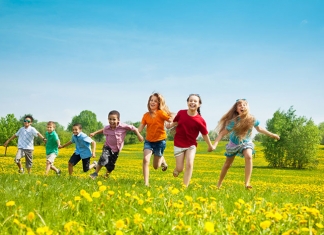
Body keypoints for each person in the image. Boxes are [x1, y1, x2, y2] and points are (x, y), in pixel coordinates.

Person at [212, 99, 280, 189]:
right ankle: (219, 184)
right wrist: (215, 145)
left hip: (246, 142)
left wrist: (272, 134)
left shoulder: (252, 119)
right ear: (236, 109)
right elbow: (222, 133)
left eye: (245, 105)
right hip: (234, 143)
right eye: (240, 105)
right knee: (228, 164)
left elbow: (259, 129)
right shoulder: (234, 121)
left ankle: (247, 183)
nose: (242, 106)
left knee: (248, 156)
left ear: (248, 107)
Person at [167, 94, 214, 187]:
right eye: (190, 101)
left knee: (189, 164)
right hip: (178, 144)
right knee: (180, 168)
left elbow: (205, 134)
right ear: (187, 102)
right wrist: (169, 125)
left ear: (199, 104)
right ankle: (177, 169)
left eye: (195, 101)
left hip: (191, 145)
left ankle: (185, 186)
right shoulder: (181, 113)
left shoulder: (200, 120)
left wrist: (210, 145)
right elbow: (175, 122)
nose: (192, 102)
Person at [89, 110, 144, 179]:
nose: (112, 121)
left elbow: (134, 128)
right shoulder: (107, 128)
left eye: (114, 119)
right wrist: (94, 133)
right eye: (110, 119)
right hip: (107, 147)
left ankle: (106, 176)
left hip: (116, 150)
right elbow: (102, 130)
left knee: (110, 166)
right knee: (103, 158)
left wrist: (139, 135)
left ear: (118, 120)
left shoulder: (123, 126)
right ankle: (95, 173)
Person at [138, 92, 173, 186]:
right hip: (149, 141)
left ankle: (162, 160)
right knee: (145, 160)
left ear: (159, 104)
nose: (152, 102)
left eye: (155, 101)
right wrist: (136, 133)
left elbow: (171, 120)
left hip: (160, 142)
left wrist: (174, 122)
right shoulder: (146, 115)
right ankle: (146, 183)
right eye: (151, 100)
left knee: (155, 166)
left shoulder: (161, 113)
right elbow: (140, 129)